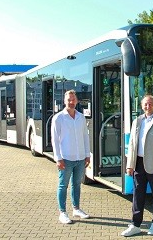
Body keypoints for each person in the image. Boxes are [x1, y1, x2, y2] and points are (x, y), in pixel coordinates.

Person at [121, 94, 153, 237]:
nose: (147, 106)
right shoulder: (137, 121)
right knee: (138, 195)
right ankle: (135, 224)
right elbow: (131, 144)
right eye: (145, 104)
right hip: (138, 164)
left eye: (150, 104)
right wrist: (130, 165)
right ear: (141, 106)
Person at [51, 89, 91, 224]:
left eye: (73, 99)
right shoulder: (58, 118)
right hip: (65, 158)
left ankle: (76, 209)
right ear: (64, 101)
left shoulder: (81, 117)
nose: (71, 102)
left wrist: (87, 154)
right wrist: (58, 158)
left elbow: (85, 137)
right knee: (63, 185)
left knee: (77, 185)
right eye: (69, 100)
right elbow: (55, 140)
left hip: (80, 158)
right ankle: (62, 212)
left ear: (77, 101)